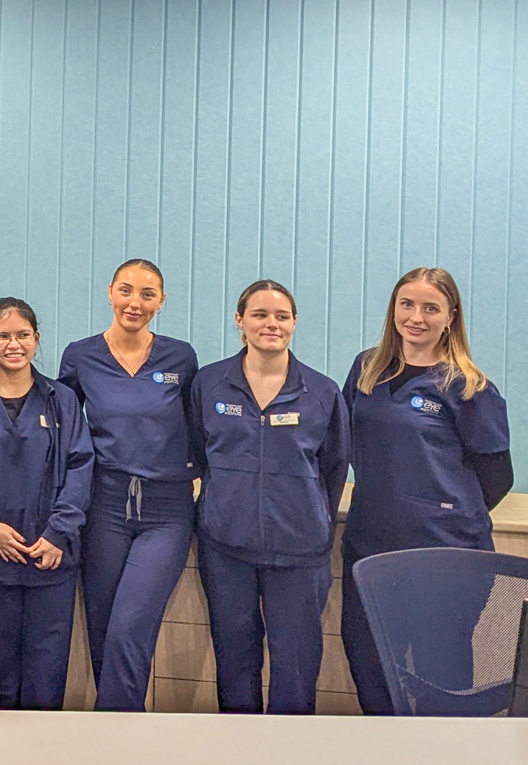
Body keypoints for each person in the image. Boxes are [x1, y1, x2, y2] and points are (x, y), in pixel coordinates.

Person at [339, 266, 511, 715]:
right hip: (369, 548)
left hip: (446, 557)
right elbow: (341, 442)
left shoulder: (468, 386)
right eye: (407, 304)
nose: (416, 317)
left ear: (450, 316)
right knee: (370, 666)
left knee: (441, 677)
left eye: (431, 308)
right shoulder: (365, 369)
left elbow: (497, 477)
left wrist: (438, 510)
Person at [191, 280, 348, 715]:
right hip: (226, 548)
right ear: (239, 321)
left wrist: (308, 515)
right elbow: (196, 452)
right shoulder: (210, 384)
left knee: (295, 666)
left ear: (294, 323)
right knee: (234, 660)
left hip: (299, 551)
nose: (271, 324)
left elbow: (334, 467)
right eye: (259, 314)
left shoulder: (322, 392)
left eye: (281, 316)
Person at [57, 258, 200, 711]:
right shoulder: (80, 356)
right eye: (126, 290)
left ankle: (115, 729)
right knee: (101, 626)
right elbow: (61, 430)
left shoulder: (181, 357)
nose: (134, 303)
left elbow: (197, 426)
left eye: (147, 294)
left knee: (130, 625)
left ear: (161, 301)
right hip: (104, 505)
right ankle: (120, 730)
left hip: (166, 510)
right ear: (109, 292)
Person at [0, 297, 92, 710]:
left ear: (36, 340)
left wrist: (58, 533)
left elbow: (81, 466)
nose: (13, 344)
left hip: (50, 559)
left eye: (22, 335)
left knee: (45, 680)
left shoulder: (62, 400)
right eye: (2, 335)